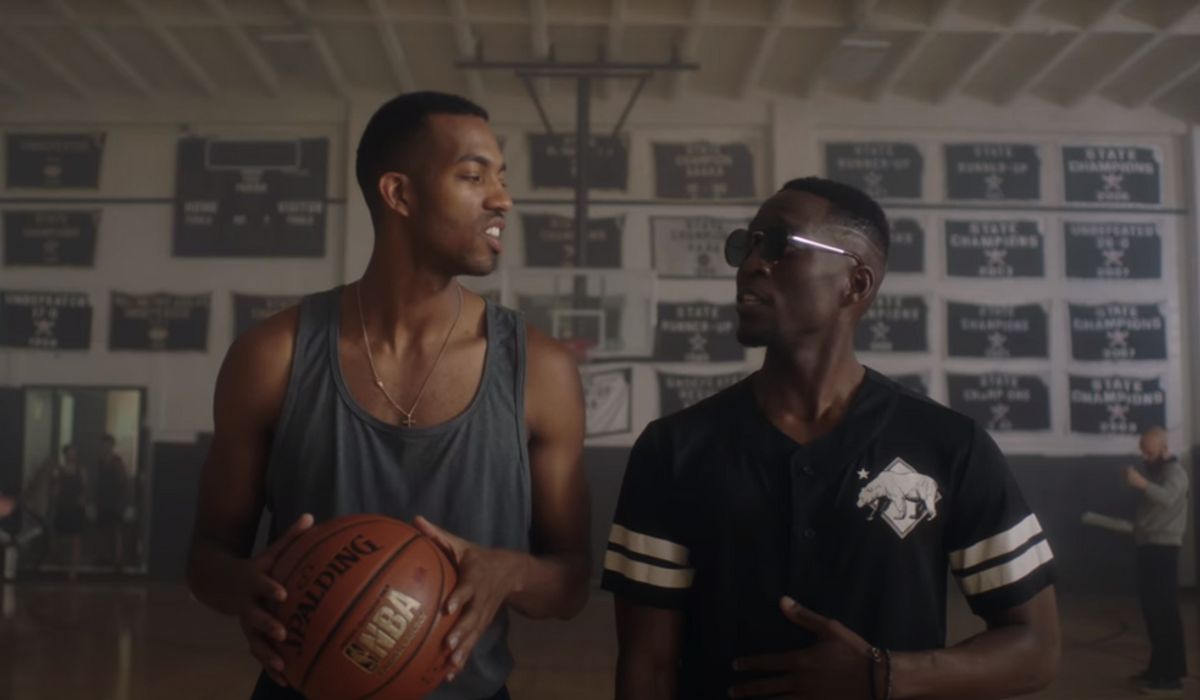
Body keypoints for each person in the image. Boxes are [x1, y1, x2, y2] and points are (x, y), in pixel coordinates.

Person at [186, 91, 590, 700]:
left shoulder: (541, 370)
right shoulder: (272, 357)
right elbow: (208, 557)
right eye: (473, 176)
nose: (502, 199)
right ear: (398, 194)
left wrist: (512, 572)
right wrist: (248, 588)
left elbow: (572, 581)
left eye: (502, 179)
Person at [603, 177, 1061, 699]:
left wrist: (884, 675)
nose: (751, 264)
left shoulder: (949, 445)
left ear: (855, 283)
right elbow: (647, 666)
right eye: (747, 245)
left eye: (779, 244)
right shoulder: (673, 449)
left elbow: (1036, 650)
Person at [1125, 426, 1188, 695]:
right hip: (1150, 547)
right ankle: (1158, 668)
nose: (1145, 458)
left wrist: (1142, 484)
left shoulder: (1176, 473)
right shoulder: (1160, 472)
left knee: (1165, 613)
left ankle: (1171, 678)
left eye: (1150, 453)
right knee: (1153, 612)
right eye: (1143, 452)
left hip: (1163, 549)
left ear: (1164, 449)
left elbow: (1168, 498)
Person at [50, 444, 87, 580]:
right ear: (65, 454)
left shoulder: (81, 470)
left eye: (74, 452)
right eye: (69, 452)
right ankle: (60, 562)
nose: (72, 455)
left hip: (76, 507)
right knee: (61, 537)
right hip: (63, 506)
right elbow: (54, 490)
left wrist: (83, 501)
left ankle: (74, 570)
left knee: (76, 539)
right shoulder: (58, 470)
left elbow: (85, 488)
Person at [94, 434, 129, 567]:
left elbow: (123, 482)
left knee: (116, 530)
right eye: (104, 444)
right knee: (102, 529)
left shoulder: (117, 462)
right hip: (103, 500)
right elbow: (98, 481)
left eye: (108, 445)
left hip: (115, 501)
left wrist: (123, 502)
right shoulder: (99, 461)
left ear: (112, 446)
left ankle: (118, 559)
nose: (106, 447)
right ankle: (103, 556)